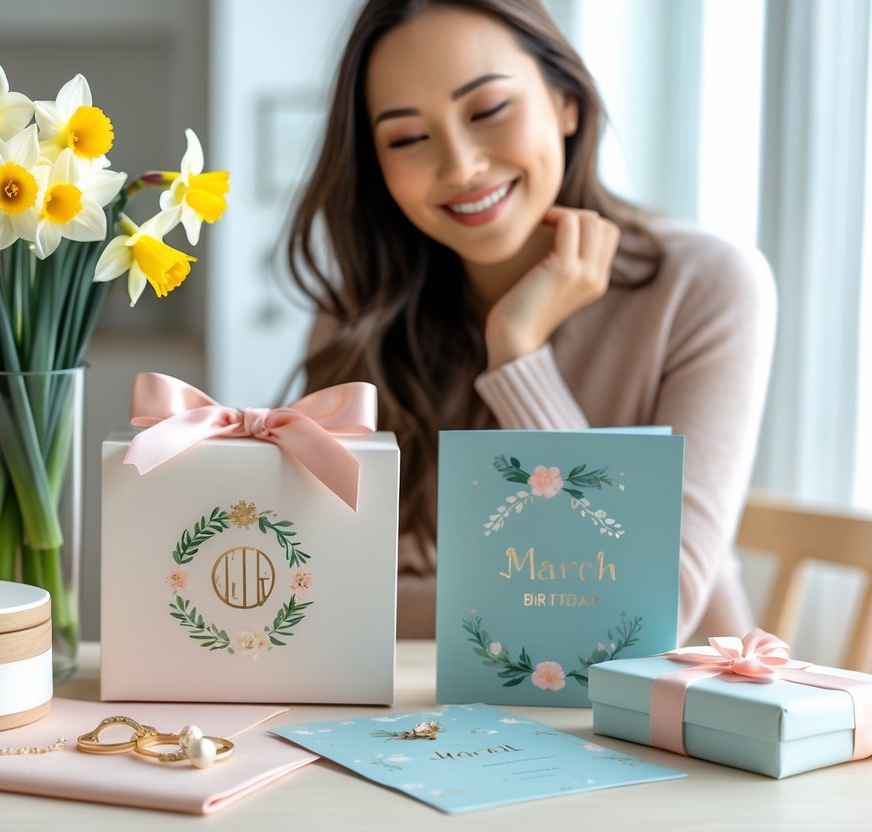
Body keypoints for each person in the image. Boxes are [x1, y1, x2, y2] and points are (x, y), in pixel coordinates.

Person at [287, 0, 776, 642]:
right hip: (422, 722)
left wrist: (517, 355)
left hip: (655, 721)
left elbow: (641, 611)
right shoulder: (364, 311)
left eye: (488, 110)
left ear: (566, 101)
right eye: (407, 138)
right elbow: (327, 587)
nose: (461, 166)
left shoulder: (706, 286)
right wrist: (538, 596)